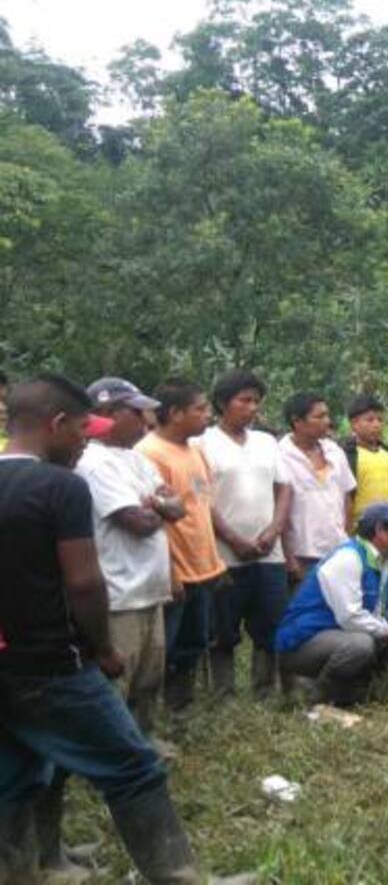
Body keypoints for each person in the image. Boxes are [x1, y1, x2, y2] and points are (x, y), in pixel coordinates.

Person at [0, 375, 237, 883]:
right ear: (56, 423)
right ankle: (178, 877)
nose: (85, 440)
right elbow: (84, 582)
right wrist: (102, 649)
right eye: (81, 429)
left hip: (6, 659)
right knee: (134, 766)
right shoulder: (60, 486)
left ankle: (26, 868)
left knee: (18, 773)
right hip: (53, 662)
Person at [76, 378, 178, 741]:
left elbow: (176, 506)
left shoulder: (136, 458)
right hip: (120, 592)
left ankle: (143, 744)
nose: (145, 418)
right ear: (105, 414)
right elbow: (136, 522)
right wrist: (160, 507)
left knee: (149, 678)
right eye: (135, 411)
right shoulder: (93, 463)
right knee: (117, 682)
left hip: (151, 587)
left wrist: (160, 507)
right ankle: (112, 755)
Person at [274, 502, 388, 707]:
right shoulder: (348, 558)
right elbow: (350, 617)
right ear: (380, 530)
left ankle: (358, 690)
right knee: (361, 645)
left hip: (342, 635)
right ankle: (313, 696)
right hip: (303, 643)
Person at [199, 370, 292, 698]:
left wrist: (274, 530)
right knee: (223, 628)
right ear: (223, 403)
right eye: (244, 400)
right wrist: (234, 539)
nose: (252, 407)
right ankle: (223, 692)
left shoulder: (266, 442)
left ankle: (265, 688)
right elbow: (201, 500)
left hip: (269, 551)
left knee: (270, 622)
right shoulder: (202, 443)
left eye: (256, 401)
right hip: (224, 553)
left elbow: (283, 488)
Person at [137, 379, 227, 712]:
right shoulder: (149, 454)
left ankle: (181, 710)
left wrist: (214, 562)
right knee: (165, 649)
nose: (207, 415)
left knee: (193, 643)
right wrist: (171, 571)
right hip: (174, 572)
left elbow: (202, 509)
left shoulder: (196, 450)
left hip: (203, 567)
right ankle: (153, 716)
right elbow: (156, 522)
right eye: (200, 409)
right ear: (175, 413)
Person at [279, 392, 356, 585]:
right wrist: (289, 557)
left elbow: (346, 497)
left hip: (338, 550)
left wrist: (345, 538)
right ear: (297, 421)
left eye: (327, 415)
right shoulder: (280, 456)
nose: (327, 421)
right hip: (302, 553)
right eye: (319, 416)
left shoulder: (334, 451)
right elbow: (278, 509)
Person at [341, 395, 388, 527]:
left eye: (380, 420)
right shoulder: (346, 455)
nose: (376, 425)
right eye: (370, 420)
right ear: (354, 424)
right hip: (359, 528)